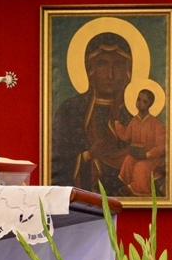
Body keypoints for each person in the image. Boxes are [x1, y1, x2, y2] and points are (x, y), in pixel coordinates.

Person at [51, 32, 133, 191]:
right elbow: (57, 164)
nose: (110, 75)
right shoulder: (71, 111)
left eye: (118, 64)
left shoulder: (135, 114)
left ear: (128, 71)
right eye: (102, 64)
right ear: (90, 69)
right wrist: (88, 155)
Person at [115, 89, 167, 197]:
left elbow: (161, 146)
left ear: (149, 105)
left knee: (141, 166)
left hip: (152, 159)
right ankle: (130, 186)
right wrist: (117, 125)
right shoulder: (134, 121)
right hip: (137, 156)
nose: (140, 103)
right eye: (139, 99)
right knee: (128, 160)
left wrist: (147, 154)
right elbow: (125, 135)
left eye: (144, 101)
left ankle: (137, 189)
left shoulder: (156, 124)